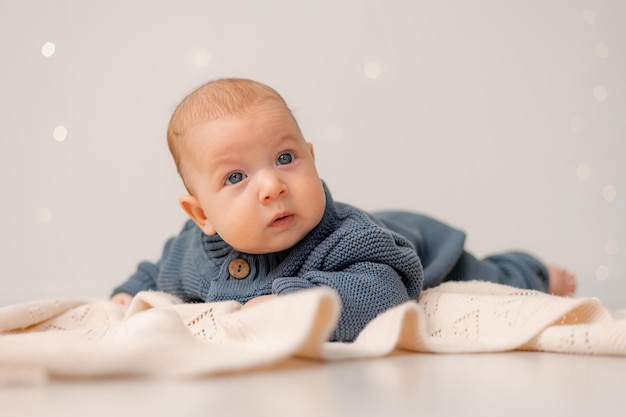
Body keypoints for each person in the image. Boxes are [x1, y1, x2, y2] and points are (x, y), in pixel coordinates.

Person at [111, 78, 577, 342]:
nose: (272, 186)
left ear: (311, 157)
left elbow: (384, 293)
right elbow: (153, 271)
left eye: (285, 159)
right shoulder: (191, 253)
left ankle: (537, 271)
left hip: (421, 247)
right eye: (236, 178)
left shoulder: (350, 239)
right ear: (202, 215)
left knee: (489, 281)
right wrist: (126, 294)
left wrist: (294, 301)